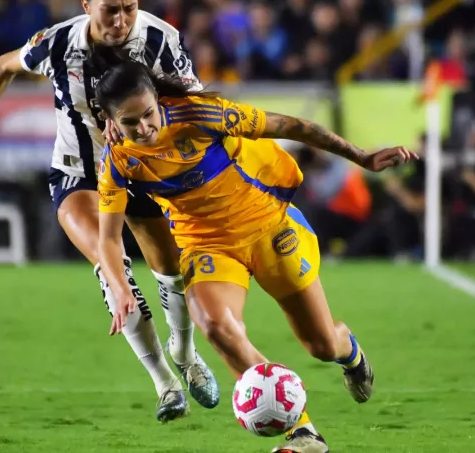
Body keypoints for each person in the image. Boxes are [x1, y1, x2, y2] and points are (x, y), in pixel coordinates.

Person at [93, 60, 416, 453]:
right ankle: (302, 430)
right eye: (130, 123)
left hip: (269, 227)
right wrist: (120, 286)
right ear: (110, 121)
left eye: (148, 114)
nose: (144, 128)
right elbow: (108, 237)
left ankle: (349, 351)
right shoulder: (118, 162)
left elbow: (290, 126)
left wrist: (360, 156)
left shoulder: (202, 116)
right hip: (205, 246)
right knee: (216, 326)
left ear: (158, 100)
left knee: (321, 345)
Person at [0, 0, 218, 422]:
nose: (120, 21)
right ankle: (165, 385)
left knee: (171, 270)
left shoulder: (159, 41)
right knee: (112, 269)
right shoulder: (58, 43)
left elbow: (197, 103)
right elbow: (2, 66)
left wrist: (145, 125)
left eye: (129, 9)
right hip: (79, 172)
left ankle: (187, 355)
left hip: (142, 168)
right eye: (109, 10)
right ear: (85, 5)